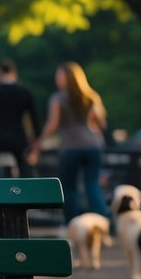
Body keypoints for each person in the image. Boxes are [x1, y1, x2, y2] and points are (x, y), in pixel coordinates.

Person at [29, 61, 110, 224]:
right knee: (92, 185)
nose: (57, 80)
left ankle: (73, 224)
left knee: (69, 188)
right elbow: (101, 123)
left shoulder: (58, 98)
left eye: (59, 76)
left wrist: (38, 142)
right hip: (93, 146)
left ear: (66, 78)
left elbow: (52, 124)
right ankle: (103, 223)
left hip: (71, 147)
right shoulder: (91, 96)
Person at [0, 58, 39, 178]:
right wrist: (36, 138)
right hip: (18, 135)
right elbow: (33, 117)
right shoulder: (24, 91)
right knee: (24, 167)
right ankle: (28, 192)